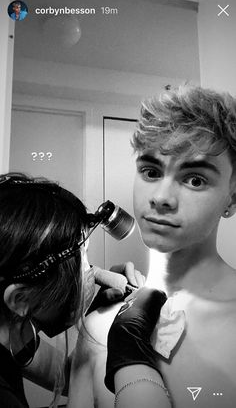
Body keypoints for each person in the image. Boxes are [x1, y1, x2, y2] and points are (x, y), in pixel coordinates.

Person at [68, 84, 236, 408]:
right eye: (150, 171)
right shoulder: (99, 325)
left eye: (195, 179)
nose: (160, 197)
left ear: (232, 198)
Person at [0, 172, 143, 408]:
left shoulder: (10, 336)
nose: (92, 273)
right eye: (83, 260)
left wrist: (95, 317)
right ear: (20, 298)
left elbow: (64, 377)